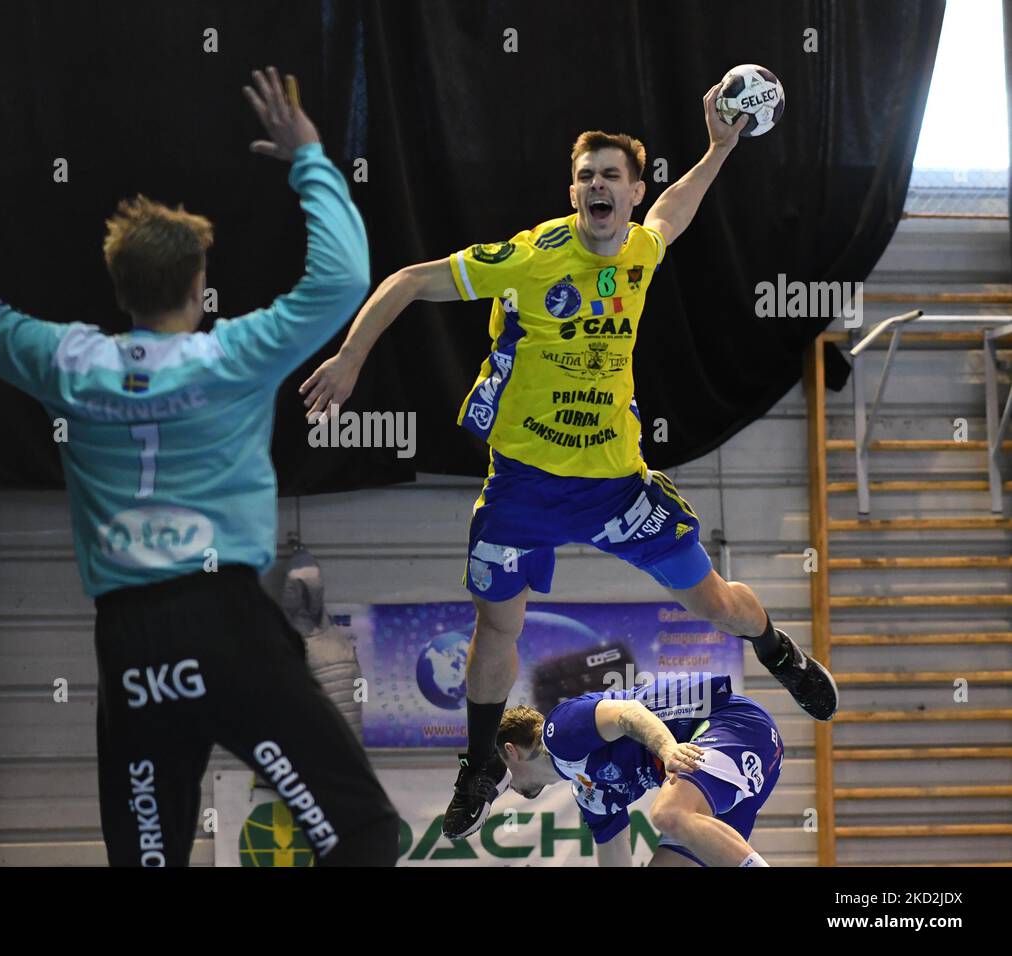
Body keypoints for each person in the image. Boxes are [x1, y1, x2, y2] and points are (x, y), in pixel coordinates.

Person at [299, 83, 837, 839]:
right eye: (585, 176)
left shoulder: (641, 250)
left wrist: (720, 147)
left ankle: (777, 648)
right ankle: (480, 762)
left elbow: (673, 216)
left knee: (713, 603)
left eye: (610, 175)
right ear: (573, 190)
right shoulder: (529, 257)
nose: (595, 187)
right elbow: (408, 280)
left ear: (632, 190)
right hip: (524, 486)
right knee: (497, 626)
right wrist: (352, 359)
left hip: (618, 485)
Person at [0, 66, 399, 866]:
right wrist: (310, 156)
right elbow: (340, 280)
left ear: (119, 285)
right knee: (363, 833)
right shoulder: (234, 353)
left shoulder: (69, 361)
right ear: (201, 287)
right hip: (228, 621)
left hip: (131, 642)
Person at [498, 673, 782, 866]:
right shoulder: (588, 793)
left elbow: (628, 713)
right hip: (732, 772)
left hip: (735, 724)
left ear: (512, 751)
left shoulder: (558, 733)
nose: (503, 785)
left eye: (498, 770)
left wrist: (668, 749)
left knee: (669, 813)